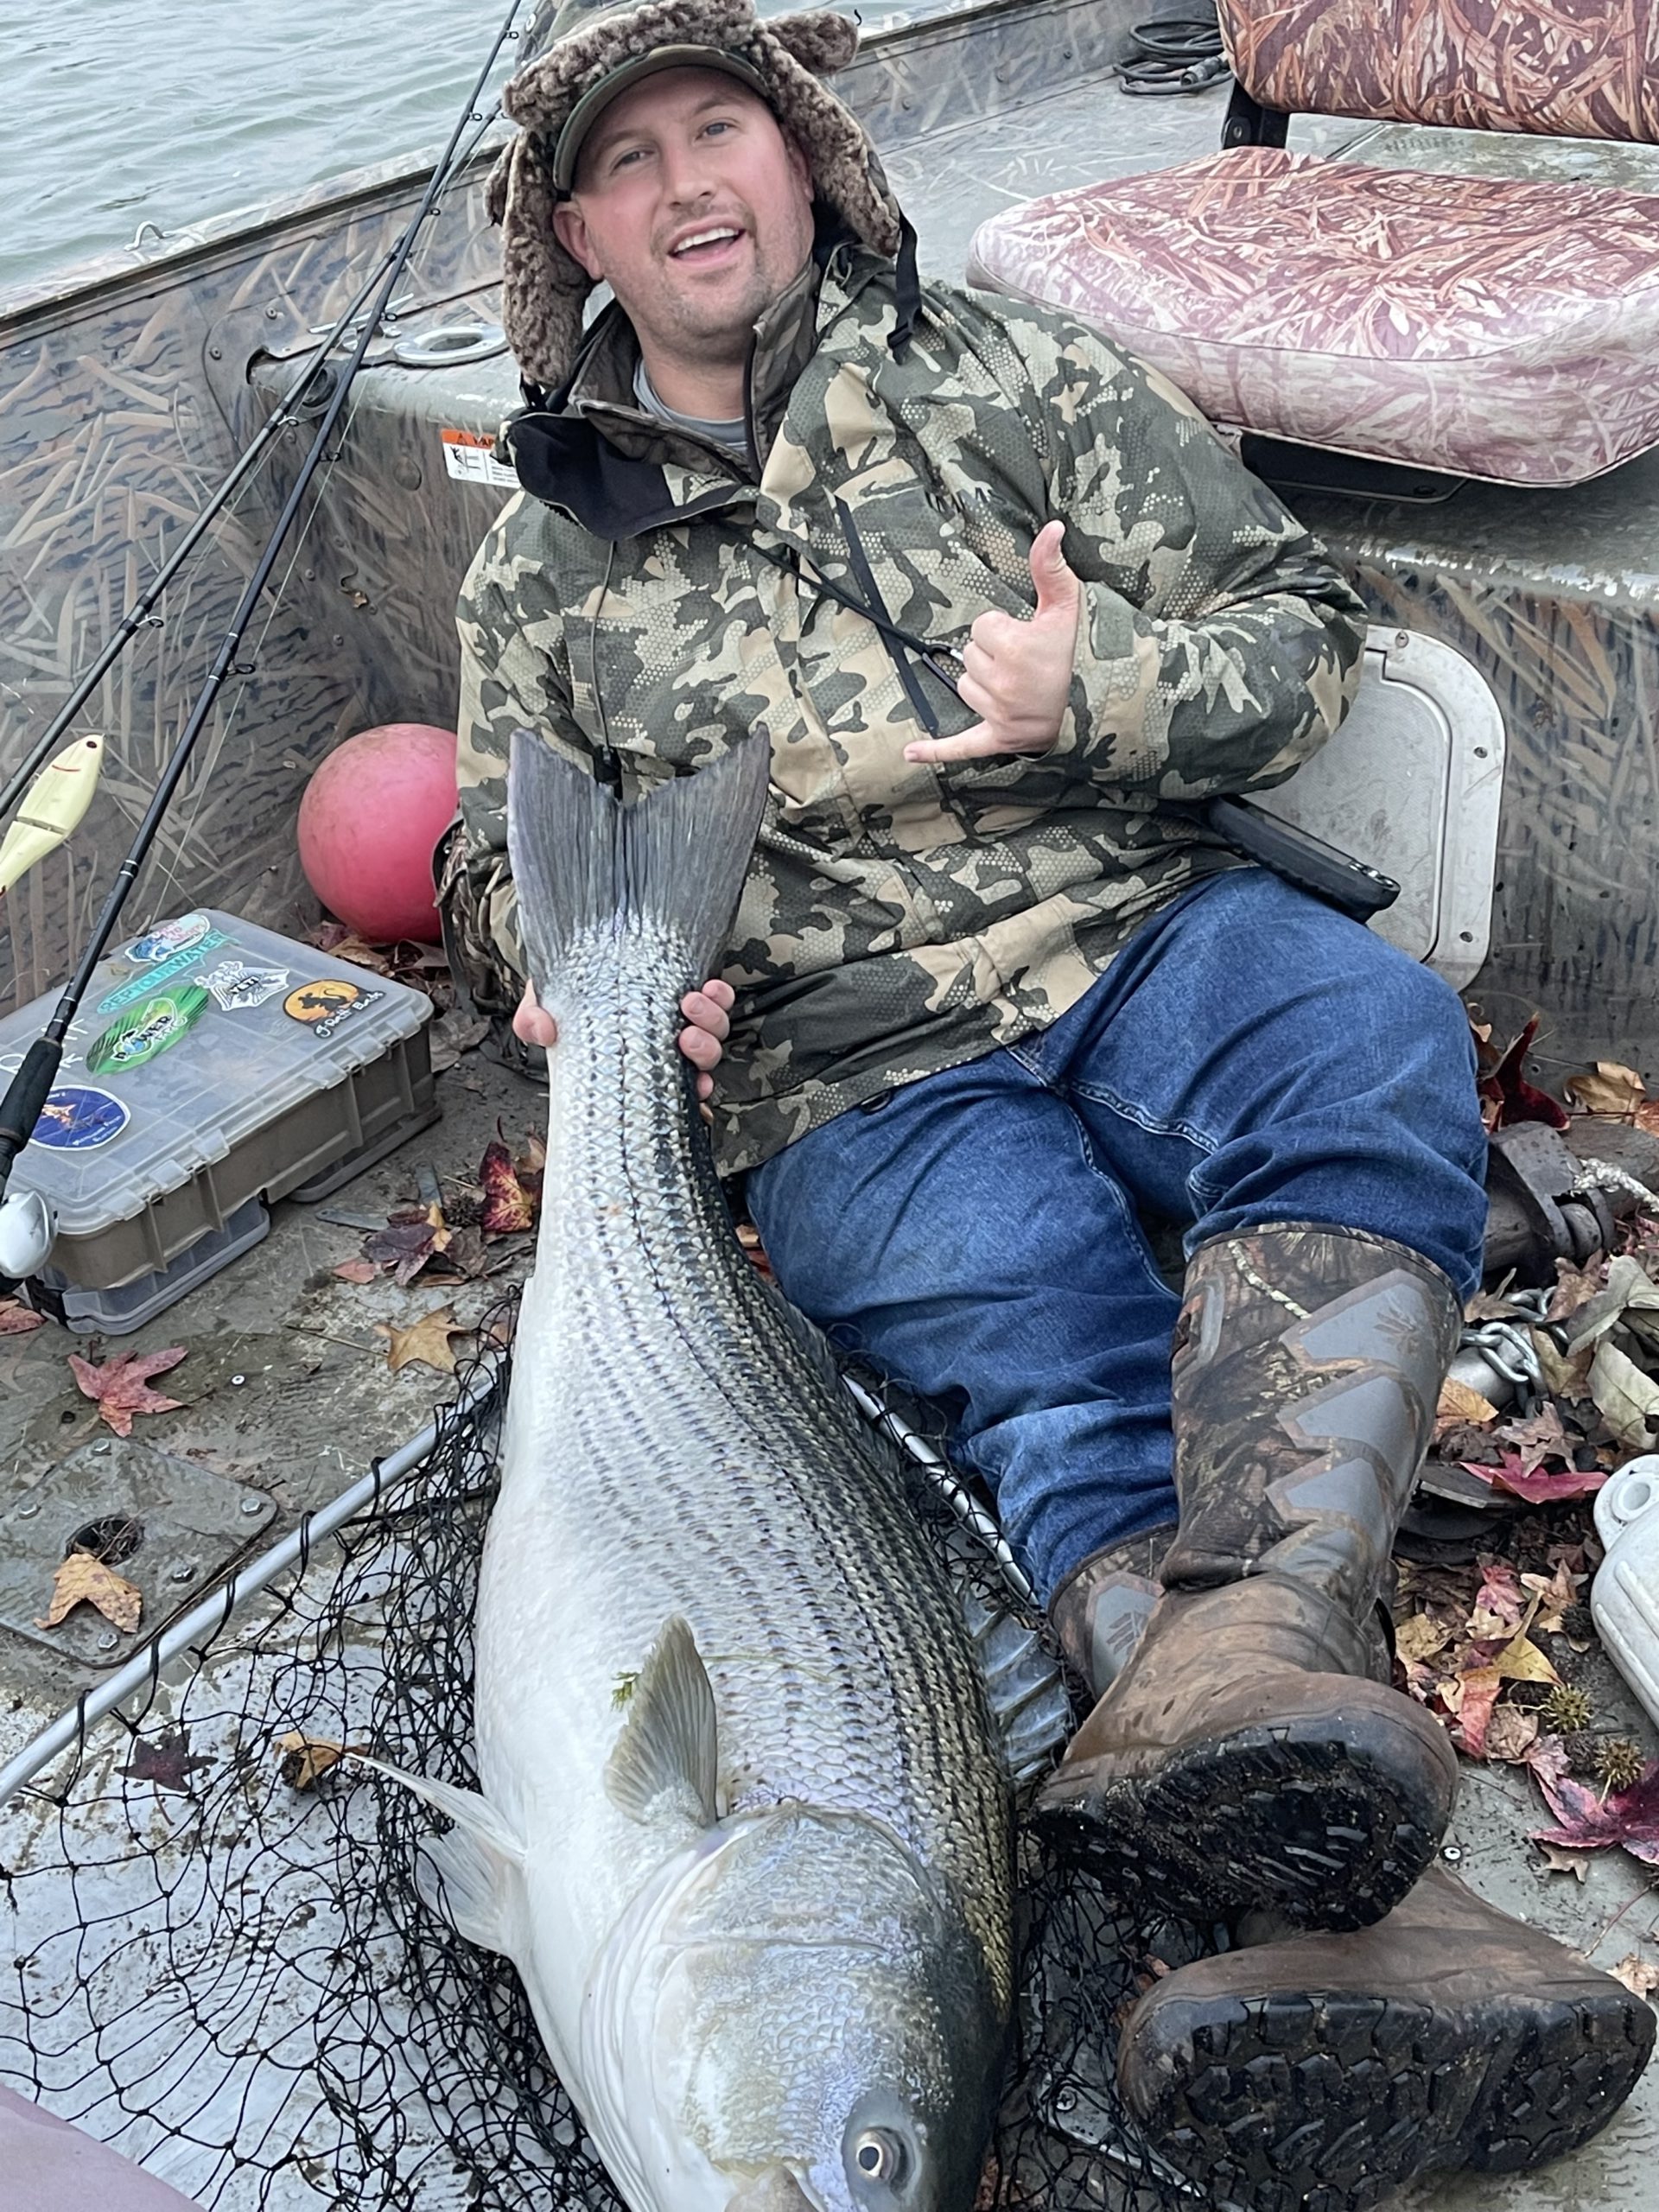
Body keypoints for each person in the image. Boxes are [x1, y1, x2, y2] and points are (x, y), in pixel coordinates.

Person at [440, 2, 1653, 2202]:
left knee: (1361, 1037)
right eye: (632, 164)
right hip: (851, 1069)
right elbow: (472, 863)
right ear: (579, 240)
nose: (692, 184)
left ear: (806, 160)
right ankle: (1405, 1918)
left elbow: (1300, 631)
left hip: (1146, 925)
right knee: (1024, 1302)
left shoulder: (1005, 378)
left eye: (727, 129)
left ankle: (1263, 1650)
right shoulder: (544, 566)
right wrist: (584, 989)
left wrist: (1097, 690)